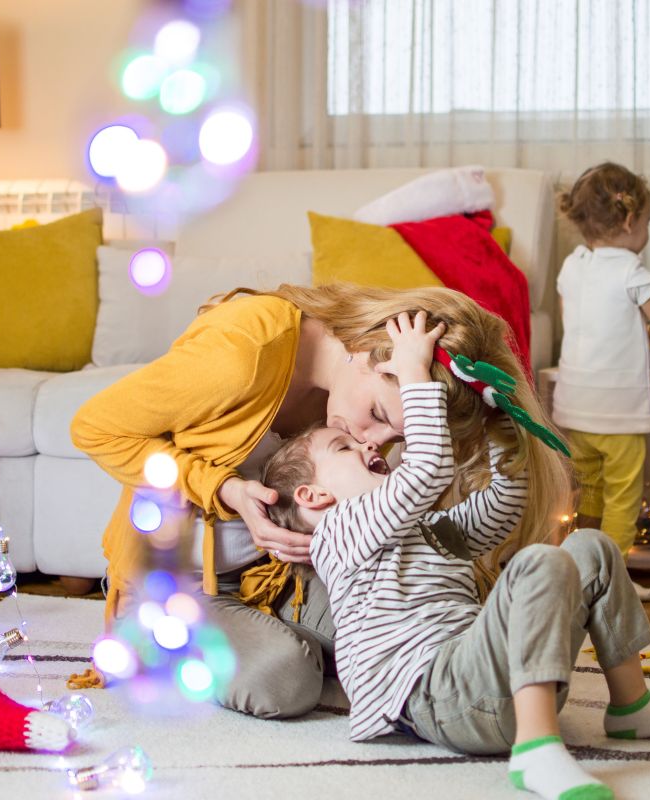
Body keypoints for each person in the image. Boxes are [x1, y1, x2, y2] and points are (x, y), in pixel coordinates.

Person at [261, 311, 650, 800]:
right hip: (435, 694)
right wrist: (413, 371)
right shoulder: (339, 534)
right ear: (314, 496)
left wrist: (499, 428)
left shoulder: (421, 529)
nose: (368, 443)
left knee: (592, 548)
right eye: (343, 447)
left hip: (488, 679)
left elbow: (502, 508)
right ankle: (536, 750)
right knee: (537, 563)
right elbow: (426, 471)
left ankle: (631, 705)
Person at [70, 283, 568, 716]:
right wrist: (224, 489)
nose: (373, 441)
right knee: (284, 677)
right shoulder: (243, 354)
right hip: (182, 582)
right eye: (379, 414)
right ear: (367, 350)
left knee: (424, 622)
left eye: (395, 435)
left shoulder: (350, 401)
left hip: (278, 577)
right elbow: (94, 427)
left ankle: (301, 644)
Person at [554, 162, 650, 602]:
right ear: (629, 219)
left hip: (574, 406)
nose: (649, 230)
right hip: (617, 413)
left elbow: (575, 324)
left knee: (589, 492)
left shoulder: (572, 265)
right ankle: (612, 579)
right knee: (622, 497)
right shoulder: (630, 270)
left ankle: (581, 569)